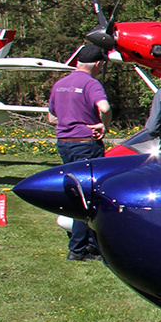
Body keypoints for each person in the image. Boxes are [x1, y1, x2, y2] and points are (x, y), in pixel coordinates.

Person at [47, 42, 111, 261]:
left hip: (64, 142)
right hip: (85, 143)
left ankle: (90, 244)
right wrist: (104, 124)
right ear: (97, 64)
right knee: (90, 195)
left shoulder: (60, 84)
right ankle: (78, 248)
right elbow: (104, 108)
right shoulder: (91, 84)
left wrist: (68, 120)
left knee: (75, 192)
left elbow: (51, 117)